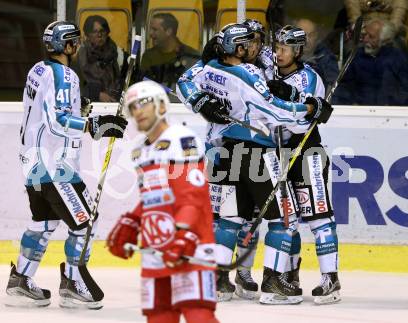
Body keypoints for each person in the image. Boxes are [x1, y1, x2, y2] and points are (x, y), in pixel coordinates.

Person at [177, 23, 334, 304]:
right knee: (285, 219)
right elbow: (277, 111)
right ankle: (273, 284)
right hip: (259, 152)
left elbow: (184, 83)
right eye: (250, 43)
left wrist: (200, 101)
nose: (259, 48)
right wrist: (311, 108)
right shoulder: (248, 72)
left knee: (229, 220)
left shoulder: (210, 66)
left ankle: (218, 282)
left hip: (226, 150)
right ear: (237, 47)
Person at [5, 21, 128, 309]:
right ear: (68, 45)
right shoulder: (66, 75)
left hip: (32, 163)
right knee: (85, 222)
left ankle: (21, 278)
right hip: (55, 166)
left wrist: (78, 107)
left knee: (44, 222)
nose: (78, 45)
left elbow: (45, 109)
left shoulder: (38, 69)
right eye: (75, 40)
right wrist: (93, 124)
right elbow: (58, 120)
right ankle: (73, 283)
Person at [106, 80, 219, 323]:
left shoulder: (182, 139)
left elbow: (193, 196)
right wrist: (132, 221)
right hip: (156, 246)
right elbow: (152, 196)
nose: (138, 111)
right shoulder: (140, 151)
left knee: (198, 312)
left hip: (189, 242)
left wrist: (183, 233)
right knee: (159, 315)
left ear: (161, 105)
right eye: (133, 106)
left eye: (144, 104)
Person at [269, 25, 341, 305]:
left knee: (319, 217)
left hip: (307, 152)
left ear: (298, 51)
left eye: (285, 48)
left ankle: (330, 279)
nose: (279, 53)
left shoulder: (310, 77)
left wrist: (285, 94)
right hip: (279, 154)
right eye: (277, 47)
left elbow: (305, 116)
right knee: (287, 220)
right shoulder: (268, 74)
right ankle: (290, 277)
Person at [333, 17, 408, 105]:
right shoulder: (355, 56)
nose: (365, 40)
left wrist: (392, 107)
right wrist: (351, 104)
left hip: (389, 112)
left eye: (371, 37)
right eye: (365, 35)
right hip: (359, 110)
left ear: (385, 40)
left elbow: (405, 90)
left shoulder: (398, 58)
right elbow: (343, 87)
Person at [140, 13, 201, 90]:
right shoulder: (149, 56)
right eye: (151, 29)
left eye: (155, 29)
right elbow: (143, 86)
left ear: (168, 31)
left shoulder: (191, 56)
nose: (150, 34)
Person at [77, 15, 127, 102]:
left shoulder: (119, 54)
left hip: (115, 104)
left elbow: (124, 82)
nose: (99, 35)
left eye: (102, 31)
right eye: (94, 31)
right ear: (87, 35)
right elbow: (76, 87)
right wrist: (97, 94)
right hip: (89, 107)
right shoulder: (79, 57)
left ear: (107, 33)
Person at [294, 18, 340, 92]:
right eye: (301, 35)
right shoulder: (283, 55)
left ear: (316, 36)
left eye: (311, 35)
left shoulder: (326, 58)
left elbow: (334, 87)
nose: (306, 40)